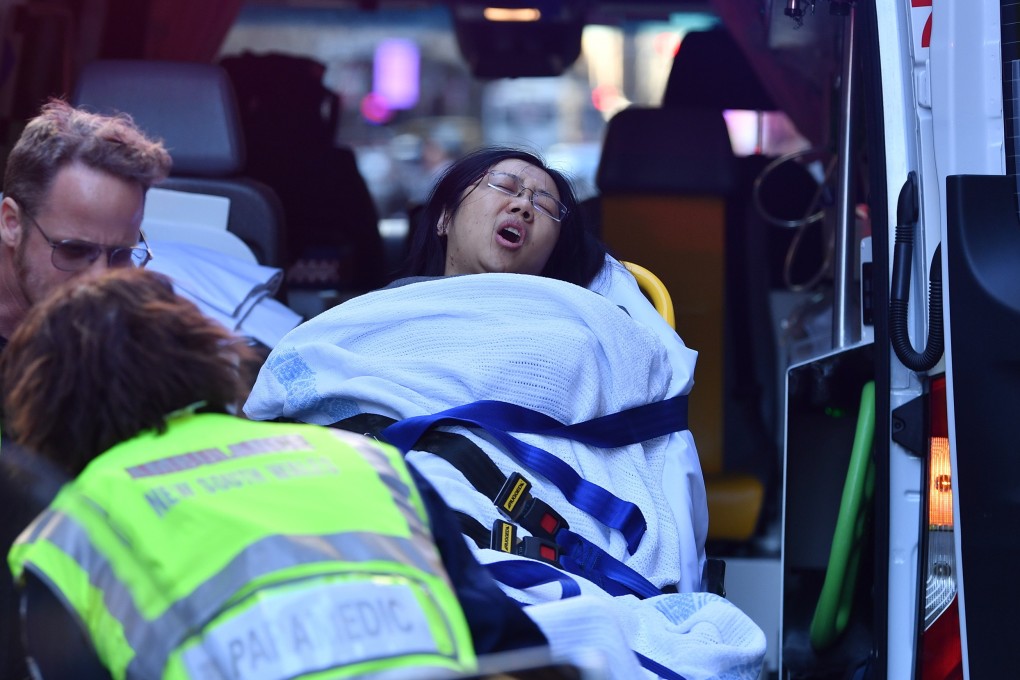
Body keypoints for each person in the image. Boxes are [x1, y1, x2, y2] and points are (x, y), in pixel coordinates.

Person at [245, 147, 767, 678]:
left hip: (515, 525)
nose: (523, 206)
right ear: (444, 217)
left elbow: (634, 394)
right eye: (506, 187)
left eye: (545, 204)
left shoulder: (581, 323)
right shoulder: (362, 322)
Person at [1, 268, 550, 679]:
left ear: (47, 411)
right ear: (203, 356)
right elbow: (510, 647)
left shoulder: (76, 528)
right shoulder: (367, 461)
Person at [0, 99, 172, 680]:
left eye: (121, 255)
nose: (101, 281)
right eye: (73, 252)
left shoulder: (139, 328)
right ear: (10, 221)